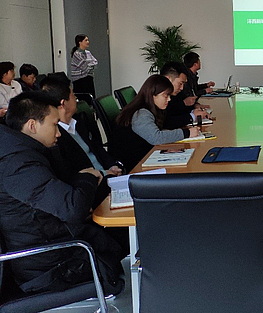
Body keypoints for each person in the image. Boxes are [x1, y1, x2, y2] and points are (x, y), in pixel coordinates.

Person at [0, 91, 125, 295]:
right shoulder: (18, 165)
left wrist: (82, 181)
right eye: (54, 125)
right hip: (50, 266)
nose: (58, 133)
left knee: (120, 233)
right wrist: (88, 178)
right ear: (32, 125)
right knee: (125, 237)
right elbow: (72, 209)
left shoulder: (23, 152)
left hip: (58, 247)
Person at [41, 77, 123, 207]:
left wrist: (112, 165)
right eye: (73, 96)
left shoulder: (78, 121)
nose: (76, 99)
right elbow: (70, 174)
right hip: (93, 188)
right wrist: (103, 173)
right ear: (63, 103)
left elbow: (96, 146)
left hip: (109, 178)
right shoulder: (55, 137)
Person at [109, 75, 200, 170]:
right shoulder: (141, 113)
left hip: (142, 156)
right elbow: (156, 138)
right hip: (131, 166)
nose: (169, 99)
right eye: (165, 96)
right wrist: (187, 133)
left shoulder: (149, 108)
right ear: (152, 95)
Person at [160, 61, 209, 129]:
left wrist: (196, 110)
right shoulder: (157, 96)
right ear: (168, 79)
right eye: (180, 83)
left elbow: (179, 110)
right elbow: (165, 123)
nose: (182, 88)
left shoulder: (175, 94)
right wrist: (192, 116)